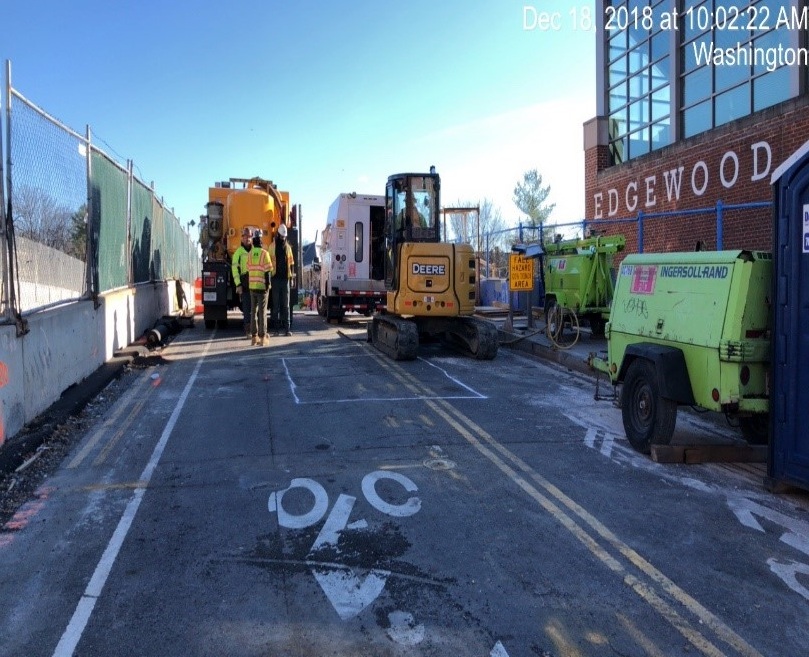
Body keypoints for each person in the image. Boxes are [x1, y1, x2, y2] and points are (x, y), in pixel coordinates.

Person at [246, 230, 273, 346]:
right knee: (263, 313)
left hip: (252, 287)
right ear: (261, 239)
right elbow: (268, 273)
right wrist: (268, 285)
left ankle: (254, 337)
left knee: (253, 312)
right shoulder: (264, 253)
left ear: (253, 240)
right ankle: (262, 337)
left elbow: (248, 270)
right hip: (262, 287)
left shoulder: (250, 254)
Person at [270, 224, 295, 336]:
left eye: (284, 236)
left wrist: (292, 278)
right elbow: (268, 263)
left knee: (286, 305)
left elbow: (291, 263)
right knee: (275, 306)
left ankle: (287, 329)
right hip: (275, 279)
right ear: (278, 234)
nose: (283, 237)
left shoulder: (288, 248)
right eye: (282, 235)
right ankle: (275, 329)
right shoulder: (272, 247)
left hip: (285, 280)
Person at [231, 227, 253, 336]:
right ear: (242, 238)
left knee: (255, 308)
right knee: (246, 307)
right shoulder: (238, 252)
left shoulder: (256, 251)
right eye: (245, 237)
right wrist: (238, 284)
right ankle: (247, 328)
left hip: (255, 282)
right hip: (244, 283)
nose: (247, 239)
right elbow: (235, 269)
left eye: (249, 237)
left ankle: (254, 329)